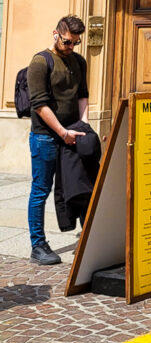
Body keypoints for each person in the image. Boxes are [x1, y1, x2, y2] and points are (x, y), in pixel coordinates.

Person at [27, 14, 88, 266]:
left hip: (73, 133)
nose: (71, 47)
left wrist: (84, 125)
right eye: (66, 42)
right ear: (55, 34)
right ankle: (38, 244)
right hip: (45, 137)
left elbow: (83, 94)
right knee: (41, 189)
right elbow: (39, 104)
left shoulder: (79, 61)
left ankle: (87, 235)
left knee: (79, 184)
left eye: (75, 42)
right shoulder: (40, 62)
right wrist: (62, 132)